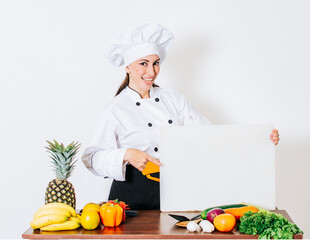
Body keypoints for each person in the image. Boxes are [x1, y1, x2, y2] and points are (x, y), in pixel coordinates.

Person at [81, 22, 279, 210]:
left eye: (156, 63)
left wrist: (259, 139)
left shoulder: (174, 99)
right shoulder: (115, 109)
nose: (151, 71)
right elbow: (92, 159)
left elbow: (209, 136)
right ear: (127, 66)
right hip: (132, 197)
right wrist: (126, 154)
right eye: (143, 63)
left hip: (177, 190)